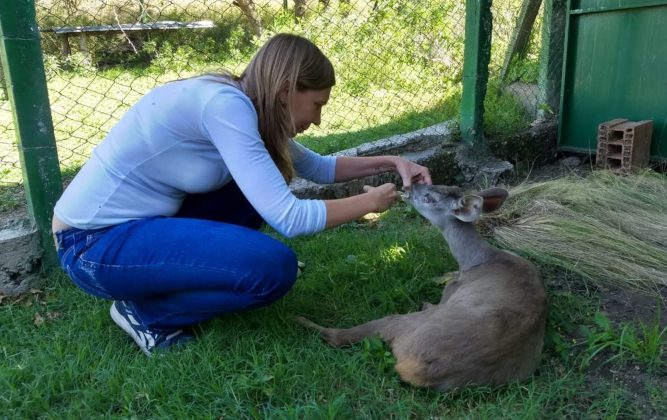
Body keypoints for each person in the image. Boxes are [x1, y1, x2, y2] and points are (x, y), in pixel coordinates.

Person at [52, 33, 432, 357]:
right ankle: (149, 315)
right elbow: (290, 218)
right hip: (91, 246)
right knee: (272, 269)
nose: (317, 119)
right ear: (286, 89)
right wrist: (369, 203)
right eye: (317, 104)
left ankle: (185, 282)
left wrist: (392, 162)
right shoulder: (225, 107)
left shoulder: (243, 104)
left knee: (260, 179)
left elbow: (317, 167)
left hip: (136, 230)